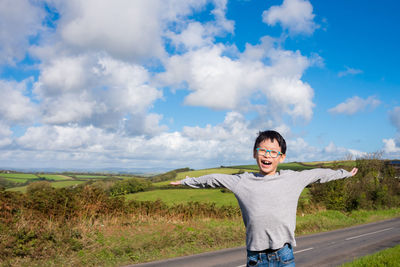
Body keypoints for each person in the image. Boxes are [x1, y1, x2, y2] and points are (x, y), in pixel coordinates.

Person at [170, 130, 358, 267]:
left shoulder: (293, 178)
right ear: (254, 153)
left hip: (284, 256)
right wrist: (188, 181)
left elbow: (319, 174)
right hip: (256, 259)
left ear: (281, 157)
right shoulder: (242, 181)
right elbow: (213, 179)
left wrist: (345, 173)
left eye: (273, 152)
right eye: (263, 151)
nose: (267, 155)